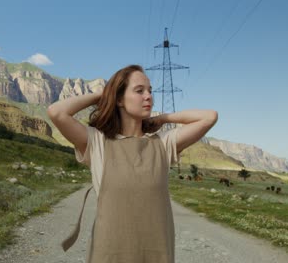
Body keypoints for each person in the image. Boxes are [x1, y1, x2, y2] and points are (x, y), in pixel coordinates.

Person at [47, 64, 218, 263]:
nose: (148, 96)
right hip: (109, 255)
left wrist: (162, 119)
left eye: (150, 91)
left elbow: (209, 117)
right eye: (139, 91)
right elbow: (56, 112)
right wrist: (104, 94)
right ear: (119, 99)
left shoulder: (163, 143)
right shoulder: (98, 143)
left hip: (157, 253)